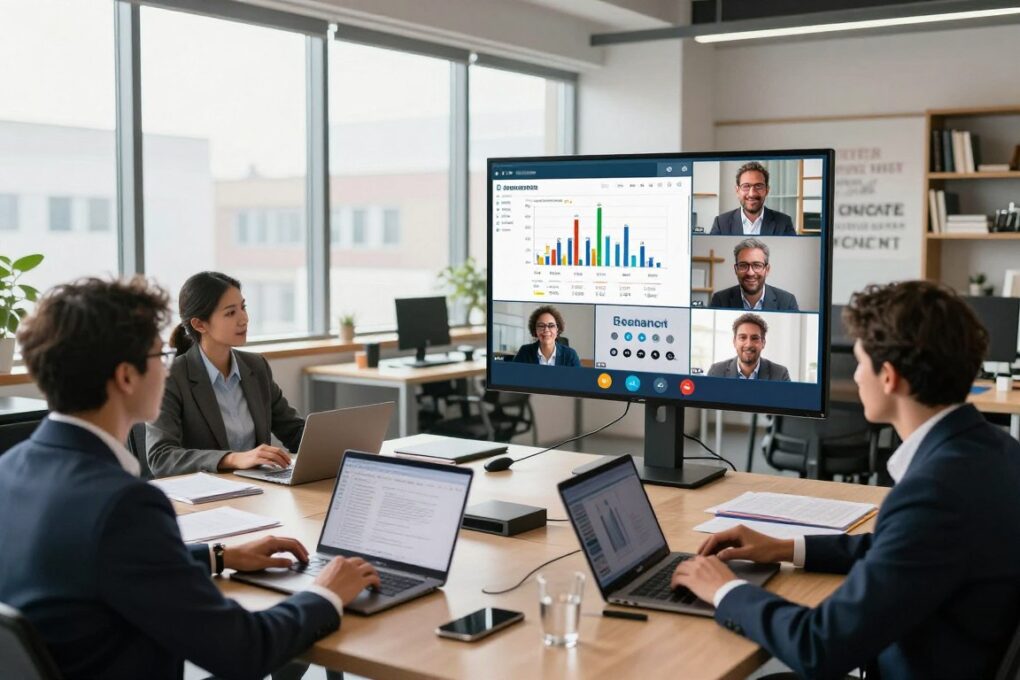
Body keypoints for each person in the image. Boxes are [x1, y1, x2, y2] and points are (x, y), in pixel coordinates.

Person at [0, 277, 380, 679]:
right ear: (127, 377)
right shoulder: (125, 506)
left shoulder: (10, 469)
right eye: (159, 355)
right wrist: (326, 593)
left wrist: (219, 556)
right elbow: (243, 649)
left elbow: (106, 566)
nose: (168, 366)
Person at [673, 280, 1020, 679]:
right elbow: (901, 548)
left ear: (888, 377)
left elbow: (818, 646)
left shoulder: (934, 492)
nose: (855, 377)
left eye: (859, 362)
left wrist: (724, 590)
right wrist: (785, 548)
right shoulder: (999, 451)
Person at [147, 271, 303, 477]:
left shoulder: (256, 367)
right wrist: (232, 458)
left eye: (243, 307)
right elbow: (161, 457)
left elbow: (294, 432)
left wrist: (342, 444)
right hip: (205, 496)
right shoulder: (170, 377)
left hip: (259, 489)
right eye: (230, 313)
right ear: (199, 324)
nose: (244, 319)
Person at [709, 161, 796, 236]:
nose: (752, 194)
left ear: (767, 190)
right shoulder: (721, 223)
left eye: (758, 186)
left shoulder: (784, 223)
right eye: (746, 186)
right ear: (737, 191)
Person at [710, 238, 799, 311]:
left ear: (767, 269)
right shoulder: (720, 300)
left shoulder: (787, 302)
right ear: (736, 269)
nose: (750, 273)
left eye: (757, 265)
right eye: (743, 265)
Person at [707, 313, 790, 381]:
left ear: (763, 343)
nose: (749, 344)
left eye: (755, 338)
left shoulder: (780, 374)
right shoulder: (716, 372)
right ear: (734, 342)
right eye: (743, 337)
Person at [513, 305, 580, 367]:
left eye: (551, 325)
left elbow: (578, 379)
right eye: (541, 326)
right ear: (535, 329)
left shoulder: (570, 355)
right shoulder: (524, 352)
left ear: (557, 329)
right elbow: (513, 377)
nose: (546, 330)